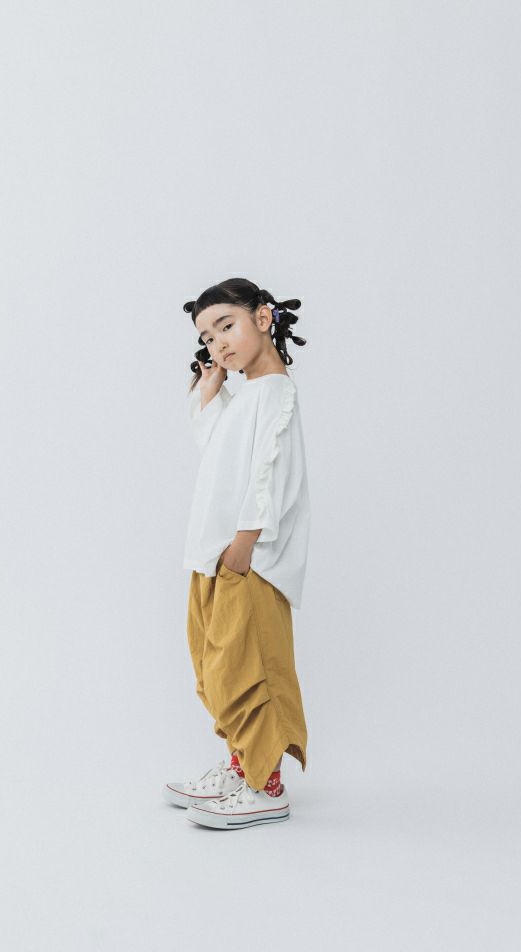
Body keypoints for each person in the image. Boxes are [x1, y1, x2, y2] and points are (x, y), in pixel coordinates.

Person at [162, 277, 311, 830]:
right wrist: (211, 388)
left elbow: (268, 470)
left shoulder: (275, 393)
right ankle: (242, 766)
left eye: (226, 325)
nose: (218, 342)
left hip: (249, 558)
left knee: (253, 670)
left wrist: (245, 544)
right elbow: (215, 452)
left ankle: (266, 786)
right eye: (207, 336)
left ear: (264, 318)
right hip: (216, 553)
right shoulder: (246, 395)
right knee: (219, 668)